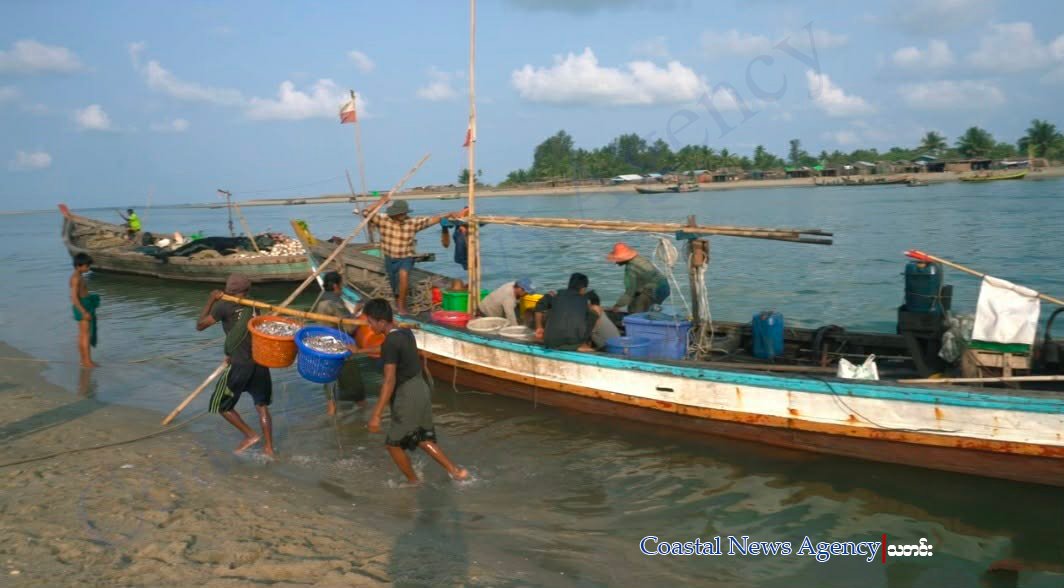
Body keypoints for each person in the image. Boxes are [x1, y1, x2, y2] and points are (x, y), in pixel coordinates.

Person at [354, 298, 469, 483]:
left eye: (370, 322)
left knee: (393, 444)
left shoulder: (391, 342)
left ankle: (413, 482)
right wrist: (358, 351)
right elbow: (386, 350)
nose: (369, 326)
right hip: (421, 388)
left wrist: (376, 414)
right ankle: (456, 472)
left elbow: (389, 380)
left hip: (408, 394)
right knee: (422, 438)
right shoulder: (404, 332)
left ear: (381, 322)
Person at [196, 273, 275, 457]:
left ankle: (251, 435)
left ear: (228, 289)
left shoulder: (223, 306)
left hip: (240, 364)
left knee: (220, 405)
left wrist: (211, 300)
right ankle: (269, 448)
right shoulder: (253, 305)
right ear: (247, 290)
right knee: (261, 406)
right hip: (260, 361)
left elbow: (200, 325)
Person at [365, 200, 465, 314]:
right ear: (394, 213)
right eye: (400, 214)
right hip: (390, 258)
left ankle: (402, 307)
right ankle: (398, 301)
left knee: (403, 275)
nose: (402, 216)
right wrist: (382, 200)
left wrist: (449, 214)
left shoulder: (412, 223)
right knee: (395, 285)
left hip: (406, 257)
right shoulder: (383, 220)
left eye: (403, 213)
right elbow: (366, 212)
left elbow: (431, 220)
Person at [312, 271, 369, 416]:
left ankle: (332, 417)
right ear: (336, 286)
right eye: (341, 285)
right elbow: (350, 328)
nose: (342, 289)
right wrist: (357, 314)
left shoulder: (321, 300)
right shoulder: (335, 302)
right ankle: (365, 418)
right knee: (358, 391)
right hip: (340, 349)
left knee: (330, 388)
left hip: (324, 348)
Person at [534, 273, 596, 351]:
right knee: (595, 313)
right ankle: (583, 344)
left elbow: (538, 307)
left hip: (550, 341)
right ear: (583, 289)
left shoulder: (556, 294)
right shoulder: (584, 300)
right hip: (574, 342)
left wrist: (539, 327)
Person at [606, 242, 670, 314]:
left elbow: (629, 292)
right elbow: (642, 282)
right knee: (644, 306)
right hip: (664, 286)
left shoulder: (631, 268)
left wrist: (617, 305)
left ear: (623, 259)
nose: (616, 262)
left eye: (617, 259)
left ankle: (637, 318)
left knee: (636, 309)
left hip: (655, 289)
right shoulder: (639, 259)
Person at [69, 252, 99, 368]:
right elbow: (74, 297)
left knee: (82, 335)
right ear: (79, 266)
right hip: (82, 306)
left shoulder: (78, 276)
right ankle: (87, 362)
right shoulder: (76, 278)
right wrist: (84, 312)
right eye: (87, 266)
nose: (88, 268)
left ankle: (83, 360)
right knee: (86, 335)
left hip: (83, 305)